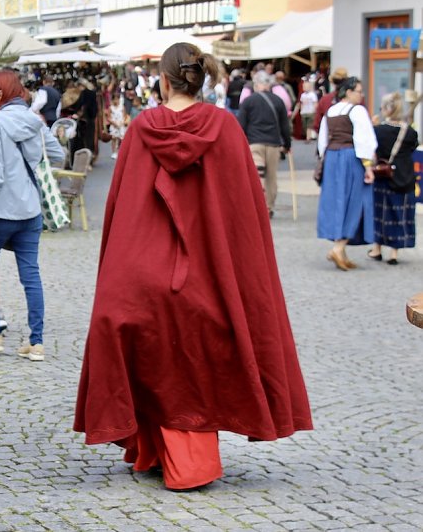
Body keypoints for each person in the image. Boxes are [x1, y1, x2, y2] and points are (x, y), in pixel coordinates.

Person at [74, 42, 312, 492]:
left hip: (142, 279)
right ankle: (173, 454)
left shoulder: (143, 127)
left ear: (163, 80)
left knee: (140, 334)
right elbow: (245, 220)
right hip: (207, 280)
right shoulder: (224, 127)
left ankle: (158, 451)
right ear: (200, 78)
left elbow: (122, 214)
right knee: (197, 338)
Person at [0, 69, 64, 362]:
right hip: (30, 210)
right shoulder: (34, 121)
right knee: (31, 275)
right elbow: (58, 155)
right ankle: (35, 343)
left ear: (1, 94)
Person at [316, 76, 377, 270]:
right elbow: (364, 140)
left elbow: (323, 141)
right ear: (349, 92)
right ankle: (338, 247)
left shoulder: (331, 111)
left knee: (337, 201)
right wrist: (368, 166)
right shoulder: (357, 110)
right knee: (354, 201)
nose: (362, 95)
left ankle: (341, 250)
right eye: (359, 91)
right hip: (351, 158)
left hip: (333, 157)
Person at [368, 92, 417, 265]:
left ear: (387, 109)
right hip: (404, 176)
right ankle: (394, 253)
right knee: (399, 214)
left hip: (383, 176)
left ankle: (377, 249)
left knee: (380, 213)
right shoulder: (410, 132)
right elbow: (412, 149)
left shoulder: (378, 130)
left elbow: (372, 150)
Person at [237, 71, 291, 218]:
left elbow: (241, 124)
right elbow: (285, 126)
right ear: (269, 85)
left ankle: (256, 204)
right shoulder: (278, 101)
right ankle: (268, 207)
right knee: (271, 178)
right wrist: (287, 144)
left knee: (256, 175)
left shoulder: (248, 102)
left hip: (254, 143)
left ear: (255, 85)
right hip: (273, 144)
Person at [106, 92, 127, 159]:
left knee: (121, 139)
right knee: (114, 138)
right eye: (114, 99)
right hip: (114, 124)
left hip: (120, 124)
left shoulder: (122, 107)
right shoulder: (110, 108)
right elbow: (108, 117)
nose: (116, 101)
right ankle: (114, 152)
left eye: (117, 99)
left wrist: (122, 122)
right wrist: (113, 123)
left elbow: (124, 116)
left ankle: (120, 151)